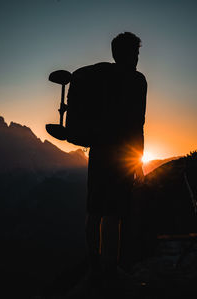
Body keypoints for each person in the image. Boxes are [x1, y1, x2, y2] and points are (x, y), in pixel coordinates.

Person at [85, 32, 147, 287]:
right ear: (130, 54)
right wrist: (138, 161)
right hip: (121, 157)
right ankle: (110, 271)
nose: (137, 58)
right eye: (136, 53)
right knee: (114, 214)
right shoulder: (136, 80)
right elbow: (137, 125)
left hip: (98, 153)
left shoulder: (99, 77)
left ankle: (94, 266)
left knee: (94, 212)